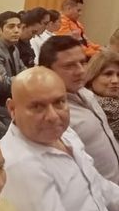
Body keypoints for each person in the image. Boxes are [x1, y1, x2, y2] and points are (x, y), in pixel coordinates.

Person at [0, 67, 119, 211]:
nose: (53, 116)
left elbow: (98, 185)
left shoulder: (64, 134)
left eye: (59, 102)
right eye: (37, 107)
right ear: (12, 109)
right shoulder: (19, 164)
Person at [40, 35, 119, 183]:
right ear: (47, 70)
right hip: (96, 191)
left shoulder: (85, 93)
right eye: (69, 66)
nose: (80, 70)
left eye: (83, 62)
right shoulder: (51, 114)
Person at [85, 50, 119, 141]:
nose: (115, 80)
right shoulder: (90, 107)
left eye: (118, 75)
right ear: (92, 77)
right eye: (108, 74)